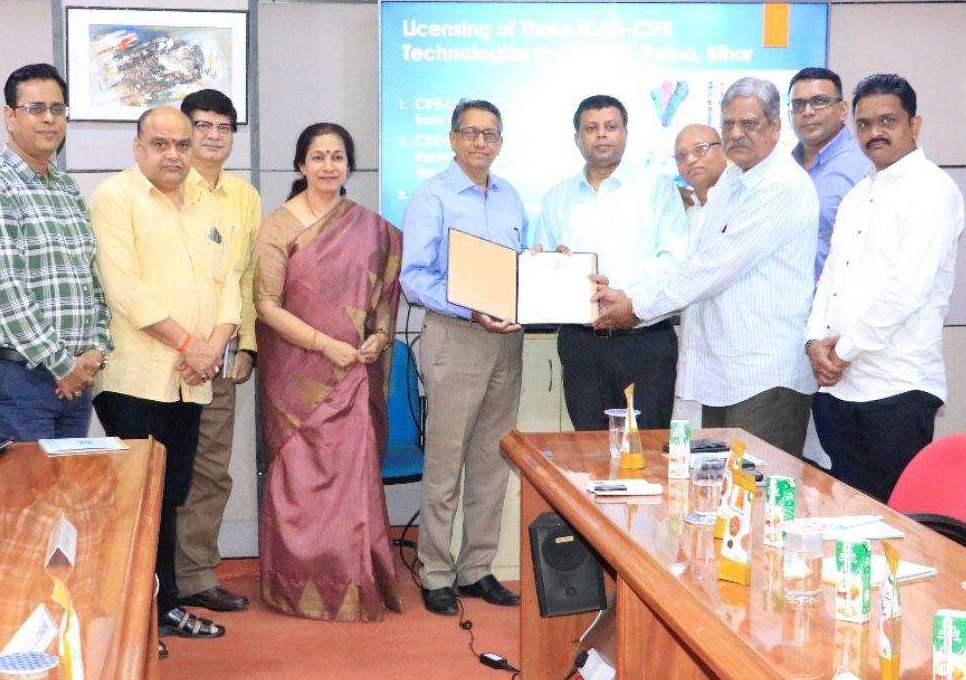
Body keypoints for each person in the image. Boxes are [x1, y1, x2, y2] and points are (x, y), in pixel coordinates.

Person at [596, 78, 818, 456]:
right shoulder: (732, 182)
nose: (736, 134)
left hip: (764, 377)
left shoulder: (783, 186)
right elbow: (693, 263)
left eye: (749, 124)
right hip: (723, 375)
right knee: (723, 503)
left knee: (759, 503)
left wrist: (634, 307)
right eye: (728, 124)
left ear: (776, 126)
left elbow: (714, 269)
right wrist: (629, 299)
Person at [90, 106, 238, 640]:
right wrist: (189, 345)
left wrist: (212, 349)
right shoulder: (115, 199)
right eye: (160, 144)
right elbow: (124, 289)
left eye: (182, 143)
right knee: (135, 504)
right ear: (137, 148)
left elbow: (230, 283)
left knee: (172, 497)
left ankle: (165, 607)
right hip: (136, 378)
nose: (173, 154)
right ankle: (133, 620)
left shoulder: (205, 201)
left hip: (192, 378)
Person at [255, 122, 404, 622]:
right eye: (317, 157)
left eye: (337, 157)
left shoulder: (371, 227)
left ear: (349, 165)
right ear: (300, 165)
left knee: (351, 480)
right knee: (298, 481)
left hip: (353, 375)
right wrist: (326, 346)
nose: (327, 166)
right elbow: (265, 304)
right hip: (294, 377)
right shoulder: (278, 224)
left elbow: (384, 297)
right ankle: (296, 585)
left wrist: (380, 337)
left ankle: (356, 581)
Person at [806, 74, 963, 502]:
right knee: (844, 520)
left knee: (892, 530)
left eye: (887, 120)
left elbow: (906, 291)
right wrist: (813, 342)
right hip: (840, 390)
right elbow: (831, 277)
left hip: (897, 392)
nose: (874, 132)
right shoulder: (858, 195)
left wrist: (840, 352)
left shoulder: (934, 191)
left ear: (915, 125)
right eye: (863, 123)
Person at [401, 100, 525, 615]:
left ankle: (477, 568)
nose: (480, 143)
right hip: (456, 336)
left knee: (492, 461)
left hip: (508, 342)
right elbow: (414, 277)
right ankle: (435, 572)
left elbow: (518, 271)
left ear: (500, 141)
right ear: (452, 139)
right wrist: (470, 308)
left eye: (490, 135)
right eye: (470, 133)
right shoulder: (431, 197)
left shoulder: (512, 196)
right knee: (446, 463)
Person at [0, 63, 110, 441]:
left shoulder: (66, 188)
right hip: (16, 382)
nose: (49, 119)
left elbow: (91, 279)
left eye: (58, 109)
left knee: (66, 498)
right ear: (9, 116)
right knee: (28, 498)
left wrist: (97, 348)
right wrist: (63, 365)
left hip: (73, 380)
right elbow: (6, 295)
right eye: (35, 109)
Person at [532, 95, 687, 430]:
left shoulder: (658, 188)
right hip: (581, 345)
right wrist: (544, 269)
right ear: (578, 138)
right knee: (589, 455)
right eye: (591, 128)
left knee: (644, 454)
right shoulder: (556, 197)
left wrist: (622, 294)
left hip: (646, 342)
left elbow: (674, 259)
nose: (601, 135)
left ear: (625, 134)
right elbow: (544, 260)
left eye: (610, 127)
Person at [174, 89, 260, 614]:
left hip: (221, 359)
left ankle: (197, 576)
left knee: (210, 472)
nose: (212, 135)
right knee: (163, 471)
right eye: (202, 125)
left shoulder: (245, 197)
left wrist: (246, 342)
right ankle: (156, 580)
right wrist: (186, 345)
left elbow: (247, 275)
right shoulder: (160, 186)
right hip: (163, 356)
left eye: (224, 127)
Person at [787, 67, 870, 279]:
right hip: (786, 303)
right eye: (798, 105)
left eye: (819, 101)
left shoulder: (865, 166)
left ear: (842, 110)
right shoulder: (784, 167)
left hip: (838, 305)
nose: (808, 112)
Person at [672, 124, 726, 413]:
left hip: (735, 359)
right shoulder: (684, 215)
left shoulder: (739, 208)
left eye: (700, 149)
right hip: (693, 349)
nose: (691, 160)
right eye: (681, 155)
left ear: (725, 149)